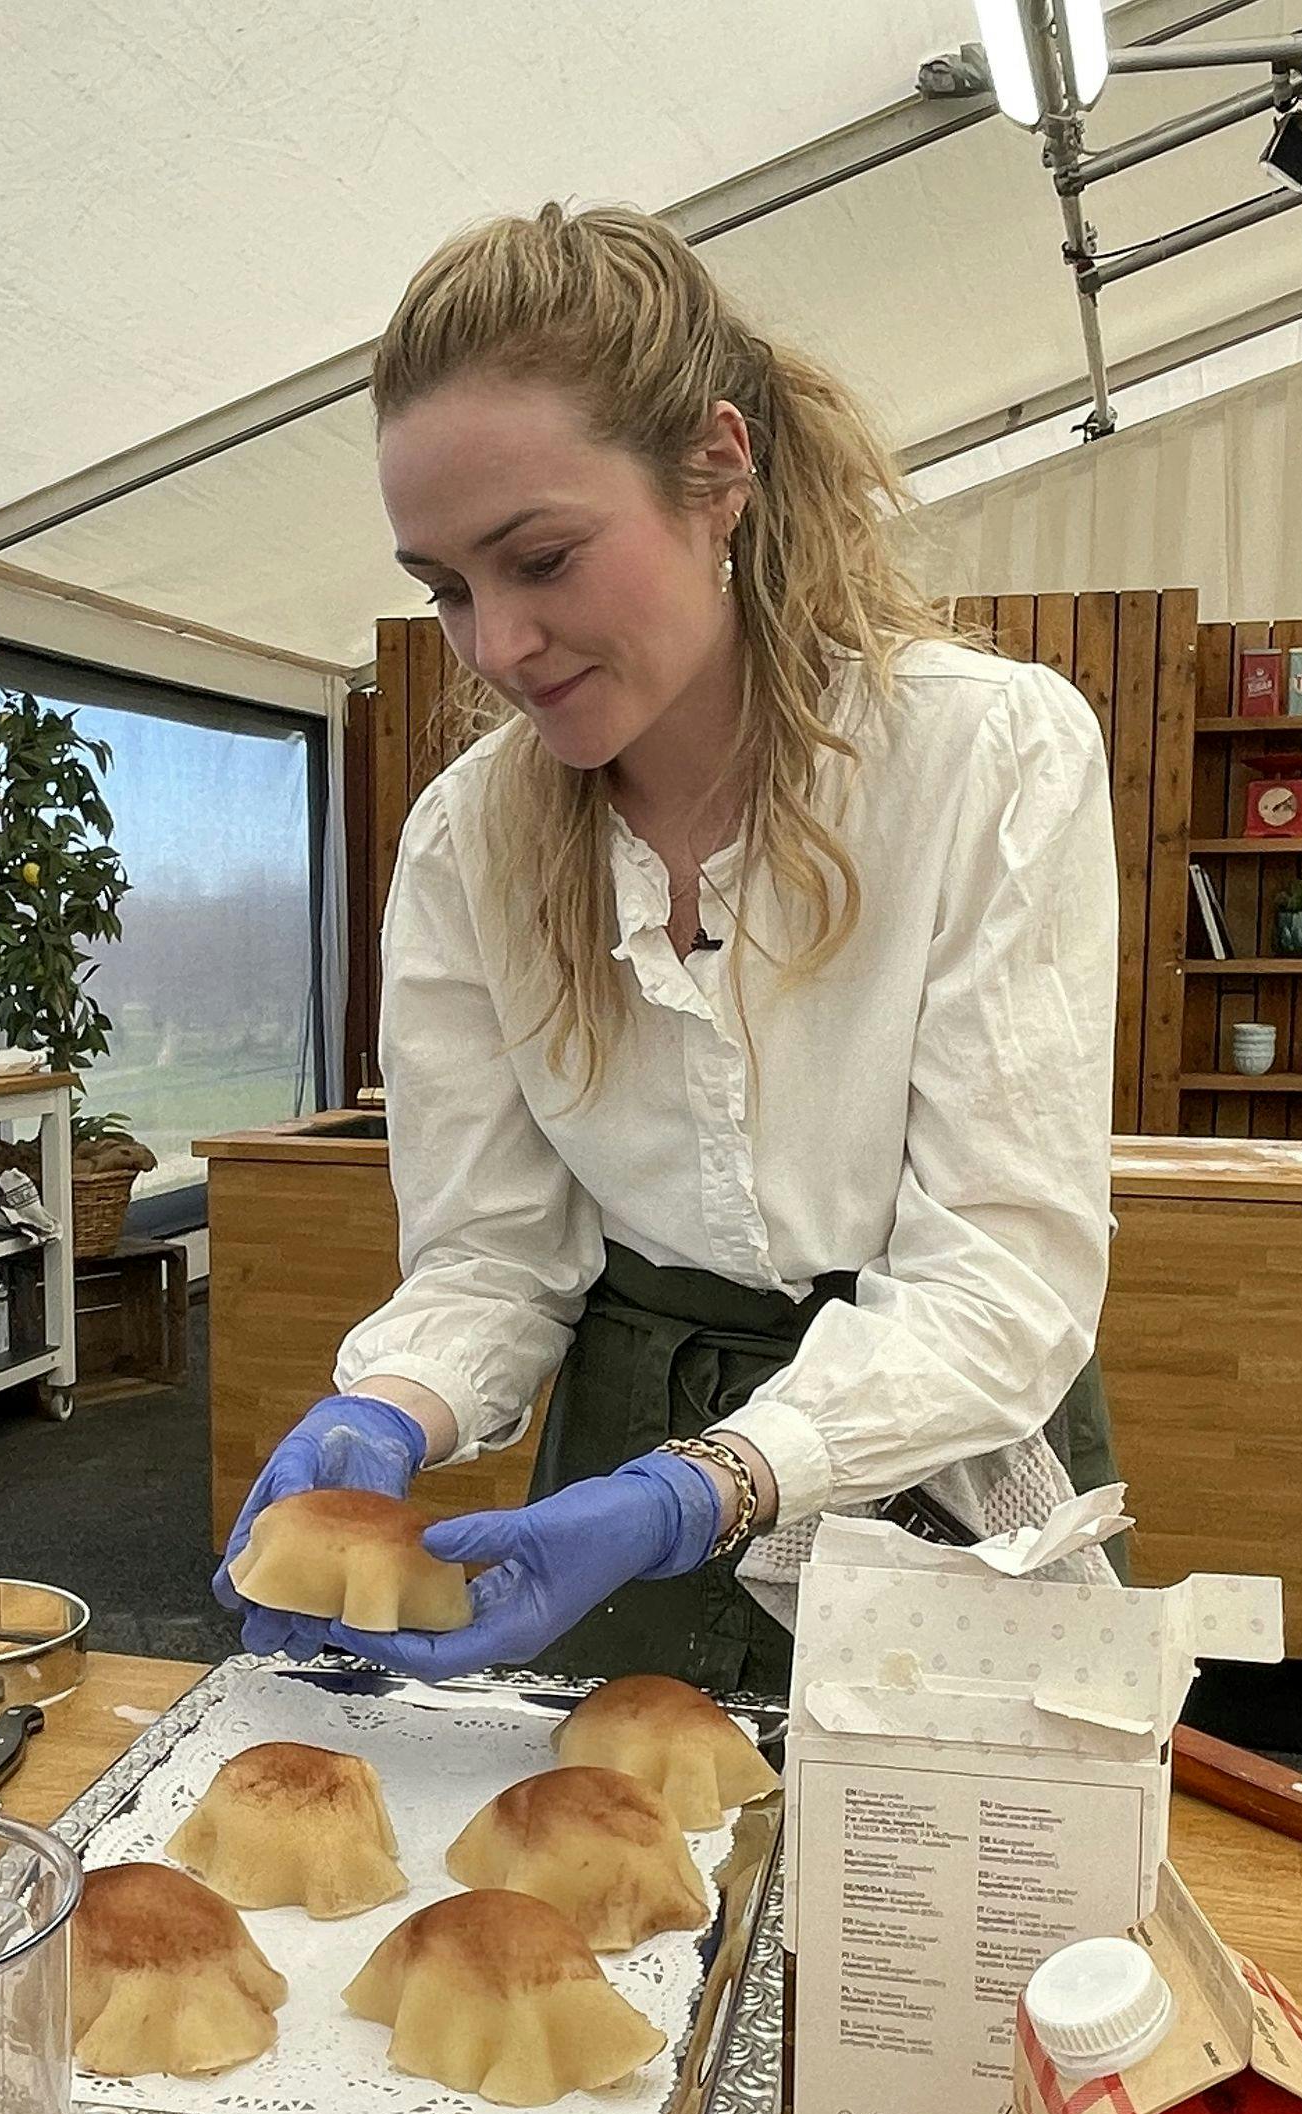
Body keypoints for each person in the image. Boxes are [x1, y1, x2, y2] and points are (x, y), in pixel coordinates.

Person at [213, 203, 1118, 1695]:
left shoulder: (986, 760)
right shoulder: (469, 847)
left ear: (716, 469)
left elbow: (999, 1277)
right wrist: (389, 1401)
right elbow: (496, 1254)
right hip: (618, 1480)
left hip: (946, 1454)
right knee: (612, 1879)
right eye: (446, 586)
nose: (495, 643)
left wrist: (708, 1484)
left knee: (944, 1911)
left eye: (543, 557)